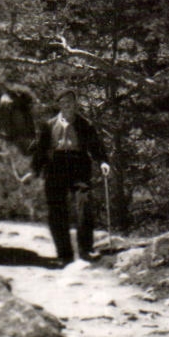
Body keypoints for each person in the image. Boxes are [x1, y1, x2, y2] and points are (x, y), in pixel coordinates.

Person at [32, 90, 109, 265]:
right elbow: (41, 150)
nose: (68, 106)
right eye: (64, 103)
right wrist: (35, 170)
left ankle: (86, 250)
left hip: (79, 165)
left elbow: (96, 146)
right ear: (59, 105)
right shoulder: (49, 125)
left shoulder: (85, 125)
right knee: (56, 210)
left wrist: (103, 162)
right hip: (55, 166)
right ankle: (64, 254)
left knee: (85, 204)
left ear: (75, 104)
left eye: (71, 103)